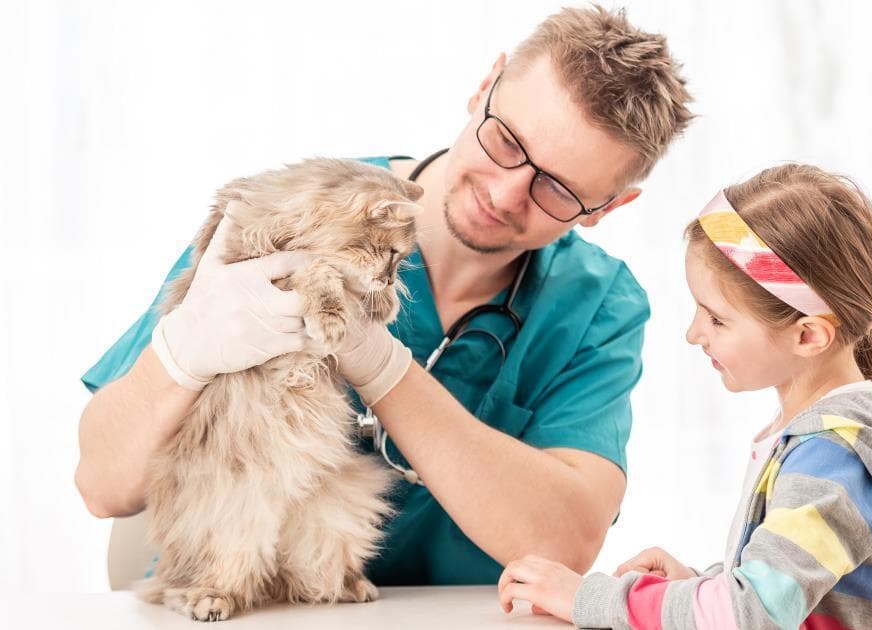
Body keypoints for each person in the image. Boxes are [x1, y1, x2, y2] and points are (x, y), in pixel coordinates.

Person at [74, 6, 695, 585]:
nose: (507, 195)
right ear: (484, 87)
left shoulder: (597, 306)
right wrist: (186, 352)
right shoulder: (300, 205)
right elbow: (101, 485)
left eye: (557, 189)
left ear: (607, 208)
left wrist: (382, 365)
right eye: (506, 141)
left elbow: (564, 541)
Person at [498, 164, 872, 628]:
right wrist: (700, 585)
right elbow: (787, 599)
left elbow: (752, 616)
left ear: (809, 336)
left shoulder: (832, 458)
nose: (694, 333)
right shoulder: (832, 437)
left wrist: (589, 598)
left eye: (717, 319)